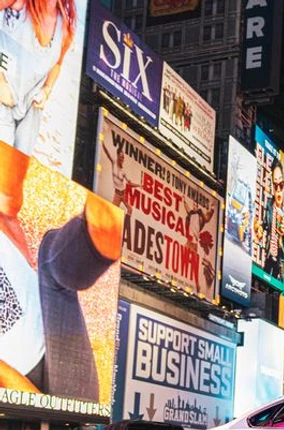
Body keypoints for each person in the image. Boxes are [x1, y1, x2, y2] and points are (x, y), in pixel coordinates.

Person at [0, 139, 123, 400]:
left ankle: (101, 227)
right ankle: (102, 228)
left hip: (53, 324)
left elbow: (8, 197)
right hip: (34, 388)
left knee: (50, 258)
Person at [0, 0, 79, 153]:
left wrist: (46, 90)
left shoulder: (66, 27)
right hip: (4, 99)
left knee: (15, 172)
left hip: (30, 111)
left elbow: (57, 64)